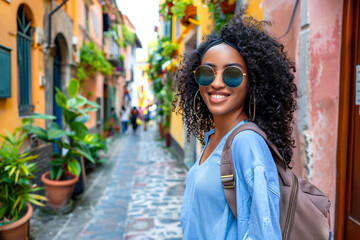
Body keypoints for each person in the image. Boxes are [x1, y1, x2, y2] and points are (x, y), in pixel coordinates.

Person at [173, 11, 298, 239]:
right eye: (206, 73)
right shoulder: (213, 138)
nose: (216, 83)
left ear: (253, 82)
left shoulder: (246, 142)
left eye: (232, 74)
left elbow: (265, 233)